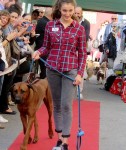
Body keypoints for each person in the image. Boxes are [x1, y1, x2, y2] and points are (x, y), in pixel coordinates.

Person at [32, 0, 87, 149]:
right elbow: (46, 47)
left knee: (66, 105)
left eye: (70, 11)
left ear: (74, 10)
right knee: (56, 105)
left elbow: (82, 54)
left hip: (70, 70)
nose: (68, 14)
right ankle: (59, 138)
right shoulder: (51, 25)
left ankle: (66, 142)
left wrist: (80, 74)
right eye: (64, 11)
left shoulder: (79, 29)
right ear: (59, 10)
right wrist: (38, 52)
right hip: (53, 70)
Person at [75, 6, 90, 99]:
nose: (76, 15)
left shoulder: (86, 23)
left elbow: (86, 37)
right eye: (75, 13)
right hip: (72, 49)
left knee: (81, 69)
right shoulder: (70, 21)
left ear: (81, 13)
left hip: (81, 48)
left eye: (78, 13)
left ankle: (79, 90)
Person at [35, 7, 52, 79]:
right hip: (43, 51)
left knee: (44, 72)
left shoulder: (43, 21)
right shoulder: (45, 23)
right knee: (45, 73)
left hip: (42, 50)